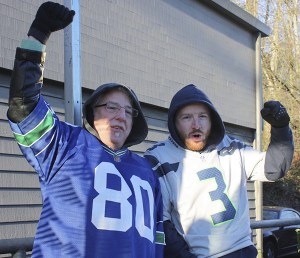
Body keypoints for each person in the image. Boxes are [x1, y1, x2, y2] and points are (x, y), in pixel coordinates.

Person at [7, 2, 164, 258]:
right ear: (92, 113)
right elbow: (23, 105)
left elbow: (158, 235)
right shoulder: (63, 145)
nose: (121, 116)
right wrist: (38, 35)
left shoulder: (147, 171)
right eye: (112, 107)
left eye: (128, 111)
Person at [144, 84, 294, 257]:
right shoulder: (159, 157)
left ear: (212, 120)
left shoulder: (231, 146)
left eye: (203, 116)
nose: (196, 125)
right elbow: (161, 221)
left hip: (243, 250)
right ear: (174, 122)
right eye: (186, 117)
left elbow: (274, 168)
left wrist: (281, 130)